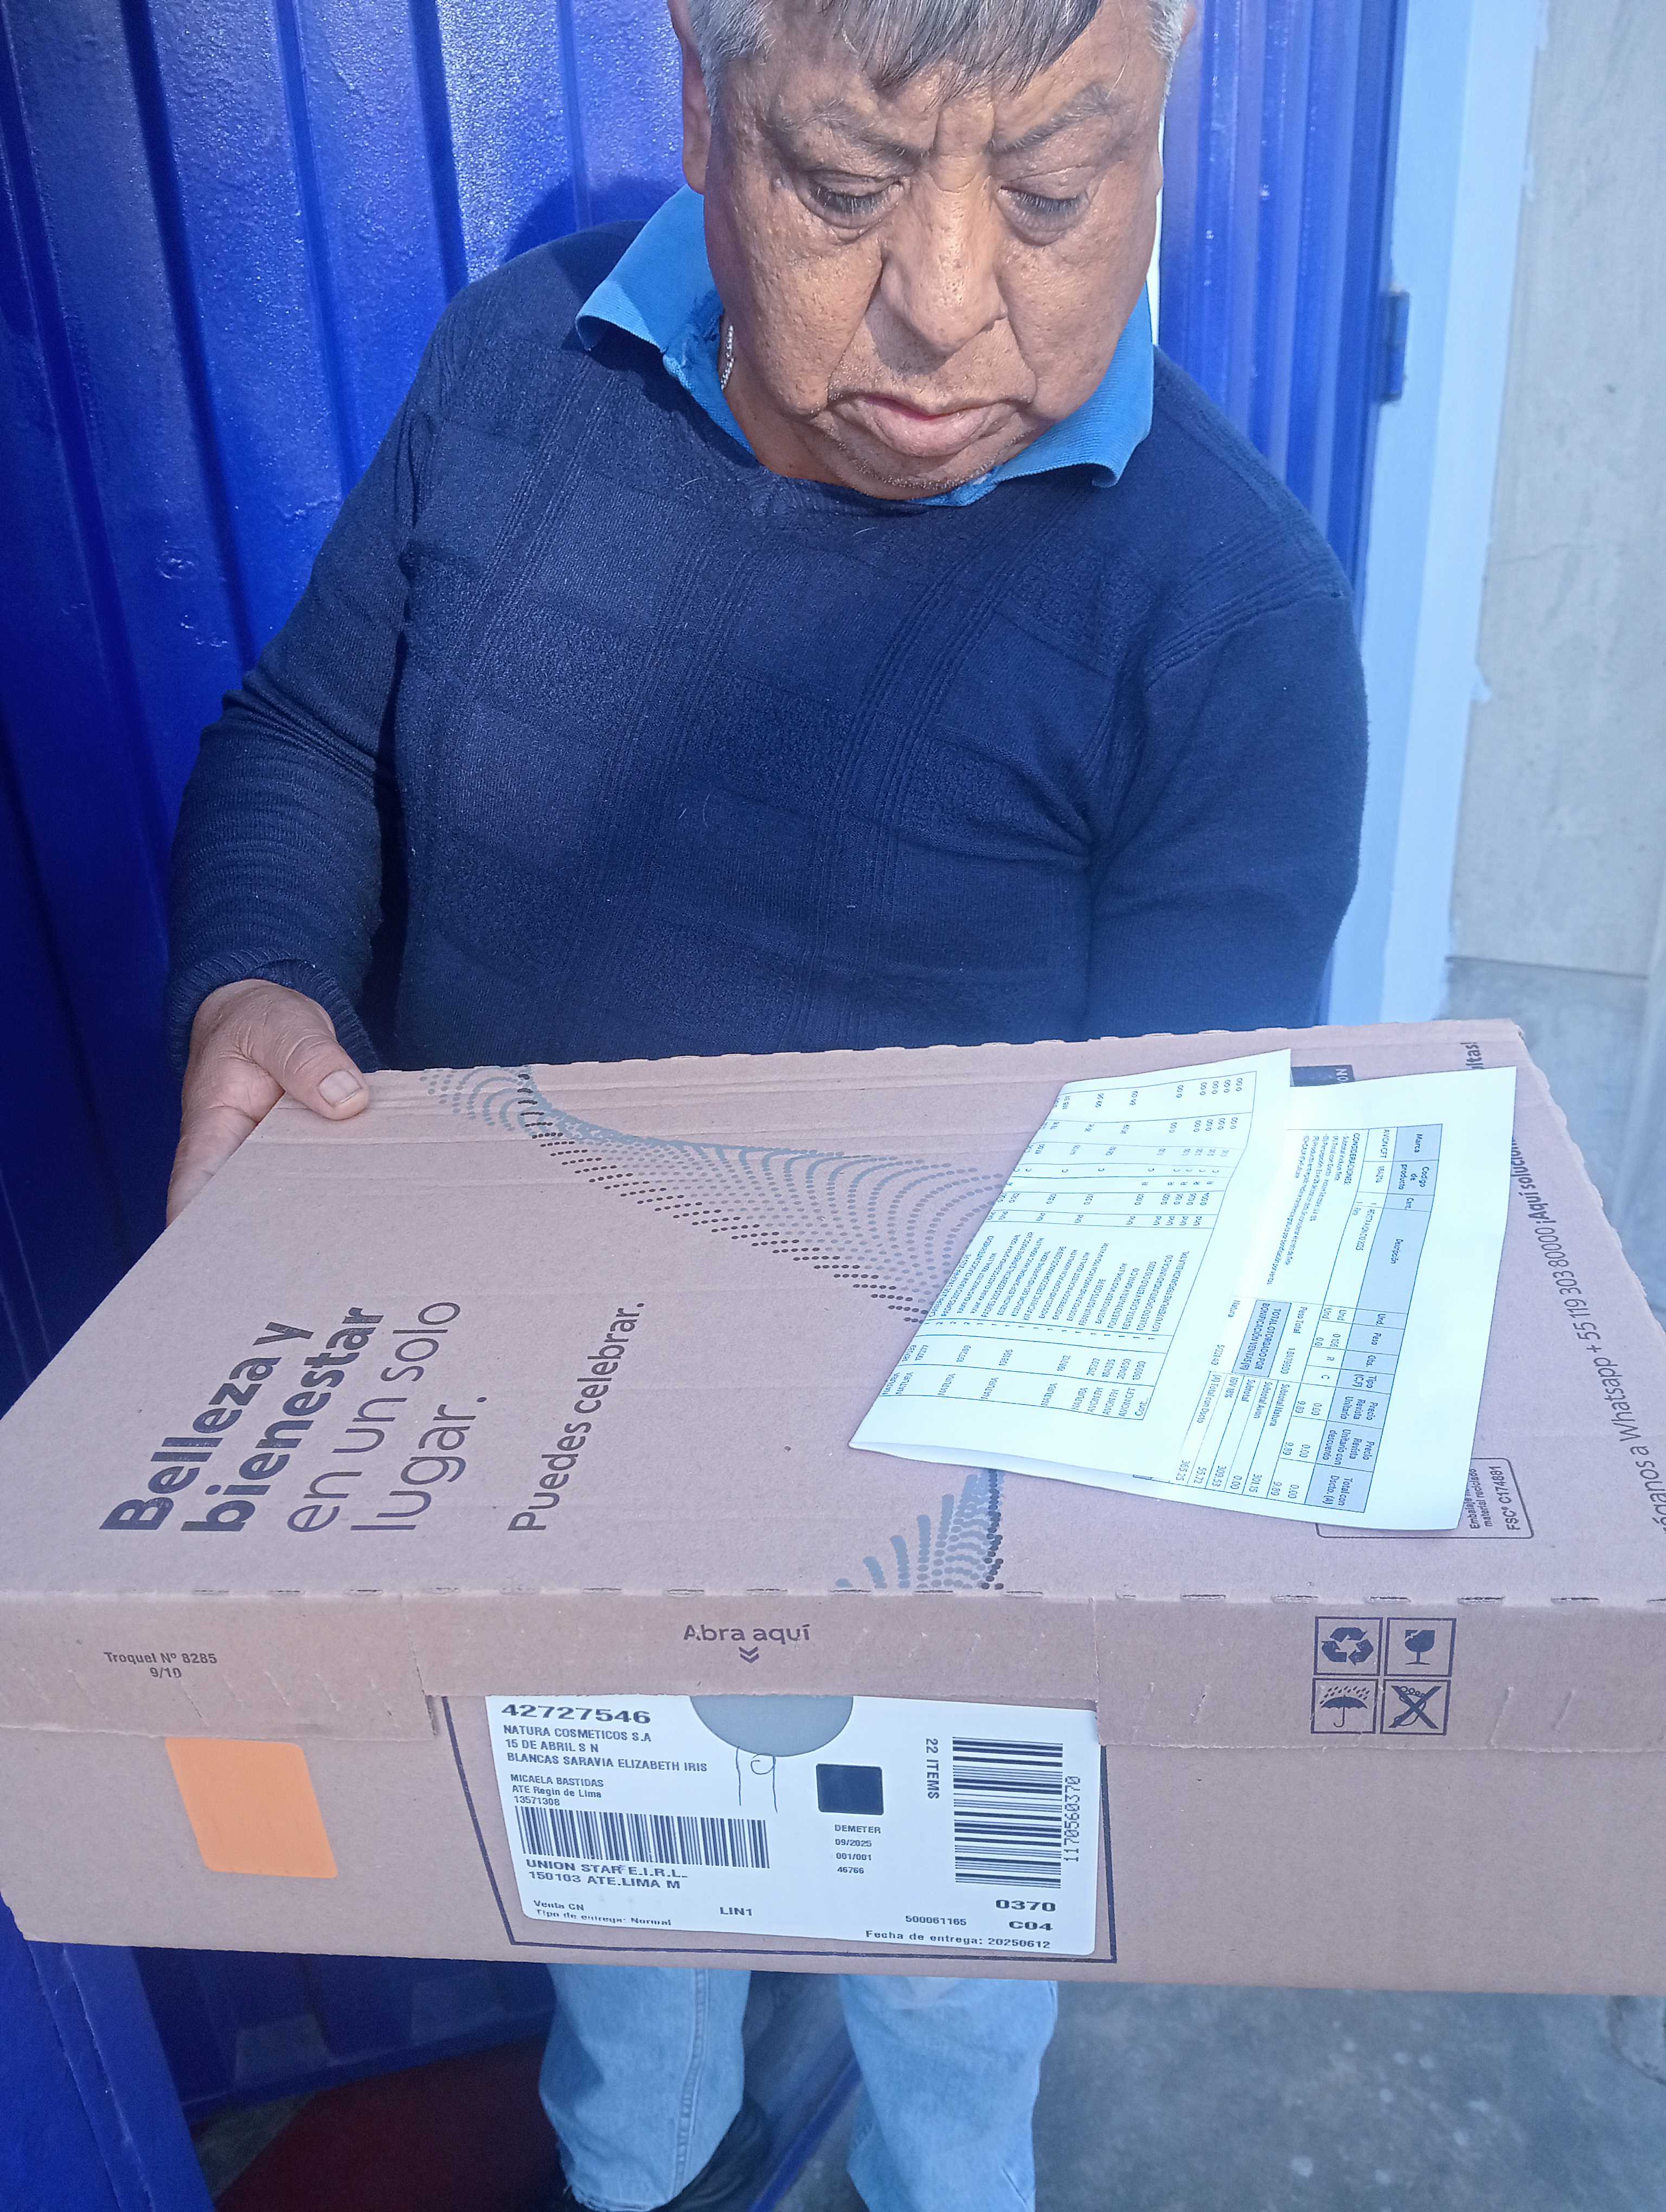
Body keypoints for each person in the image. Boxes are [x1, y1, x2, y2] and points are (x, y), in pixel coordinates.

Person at [165, 0, 1367, 2203]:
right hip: (541, 1503)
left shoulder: (1229, 618)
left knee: (951, 2035)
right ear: (701, 102)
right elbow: (308, 737)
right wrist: (257, 975)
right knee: (627, 2012)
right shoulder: (518, 367)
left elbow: (1177, 1181)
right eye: (844, 184)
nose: (948, 299)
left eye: (1055, 187)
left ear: (1167, 94)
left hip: (948, 1582)